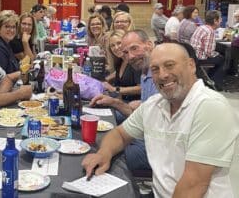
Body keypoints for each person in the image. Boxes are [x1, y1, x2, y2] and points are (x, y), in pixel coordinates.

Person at [83, 42, 238, 198]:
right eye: (155, 69)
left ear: (191, 65)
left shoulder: (210, 107)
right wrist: (103, 154)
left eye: (170, 65)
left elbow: (194, 185)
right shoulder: (154, 105)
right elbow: (120, 134)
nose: (163, 75)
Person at [90, 30, 157, 171]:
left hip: (152, 149)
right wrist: (113, 102)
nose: (130, 56)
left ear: (150, 45)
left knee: (101, 160)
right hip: (139, 137)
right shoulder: (145, 73)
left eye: (134, 48)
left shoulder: (160, 77)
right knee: (97, 146)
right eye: (126, 52)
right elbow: (140, 119)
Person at [190, 10, 225, 90]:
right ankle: (215, 84)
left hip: (194, 55)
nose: (221, 21)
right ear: (215, 21)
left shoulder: (202, 27)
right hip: (200, 58)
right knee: (223, 59)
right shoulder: (210, 31)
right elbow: (209, 53)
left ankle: (209, 79)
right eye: (220, 19)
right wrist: (217, 54)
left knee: (219, 56)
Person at [103, 29, 141, 103]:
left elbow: (141, 88)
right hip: (123, 103)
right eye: (112, 46)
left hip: (135, 106)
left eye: (119, 43)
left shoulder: (135, 61)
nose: (116, 48)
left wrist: (115, 89)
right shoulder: (119, 62)